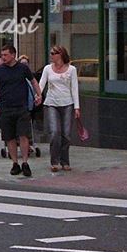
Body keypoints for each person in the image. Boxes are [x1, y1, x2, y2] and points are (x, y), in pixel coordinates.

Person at [0, 44, 42, 177]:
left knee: (23, 135)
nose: (3, 57)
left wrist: (39, 95)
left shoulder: (23, 68)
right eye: (2, 55)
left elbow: (33, 81)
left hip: (21, 107)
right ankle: (15, 163)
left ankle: (25, 162)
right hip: (6, 107)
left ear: (13, 55)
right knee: (9, 137)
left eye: (6, 55)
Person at [39, 45, 80, 173]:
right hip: (51, 103)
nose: (51, 56)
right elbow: (41, 84)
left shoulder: (71, 69)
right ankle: (54, 161)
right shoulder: (47, 69)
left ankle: (65, 161)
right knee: (55, 132)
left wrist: (77, 107)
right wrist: (38, 96)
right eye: (51, 53)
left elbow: (74, 88)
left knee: (66, 134)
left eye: (53, 53)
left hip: (67, 103)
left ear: (60, 55)